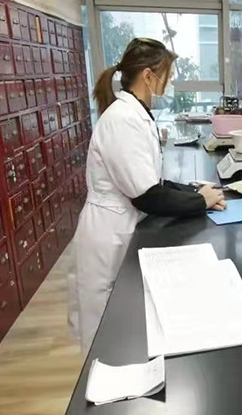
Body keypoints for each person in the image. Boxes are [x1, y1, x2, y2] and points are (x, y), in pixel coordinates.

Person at [68, 38, 225, 353]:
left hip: (123, 224)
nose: (171, 82)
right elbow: (148, 196)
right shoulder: (123, 119)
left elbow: (153, 180)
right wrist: (201, 201)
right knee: (108, 337)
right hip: (110, 236)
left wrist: (195, 191)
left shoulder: (135, 113)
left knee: (126, 329)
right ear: (148, 76)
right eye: (168, 74)